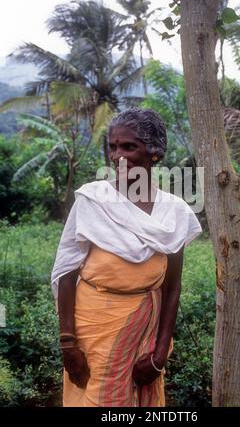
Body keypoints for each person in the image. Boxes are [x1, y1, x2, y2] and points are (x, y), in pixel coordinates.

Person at [51, 108, 202, 407]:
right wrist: (68, 344)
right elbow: (66, 273)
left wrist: (159, 356)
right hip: (91, 330)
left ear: (154, 153)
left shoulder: (174, 212)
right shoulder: (93, 201)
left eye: (129, 146)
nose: (118, 155)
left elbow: (172, 288)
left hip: (144, 334)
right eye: (112, 146)